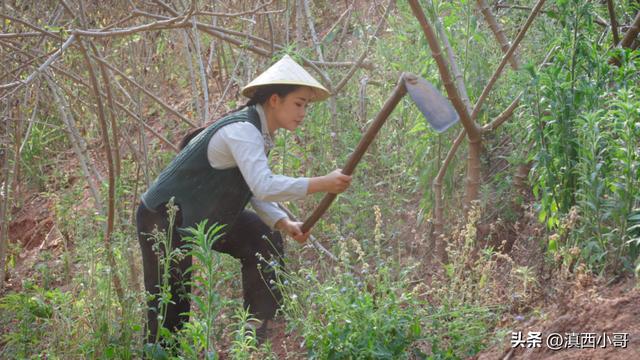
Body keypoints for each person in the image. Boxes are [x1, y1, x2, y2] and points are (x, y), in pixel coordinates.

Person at [136, 55, 352, 344]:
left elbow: (251, 187)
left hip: (203, 215)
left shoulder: (259, 134)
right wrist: (322, 183)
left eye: (306, 106)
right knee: (171, 305)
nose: (302, 113)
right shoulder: (243, 131)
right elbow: (263, 185)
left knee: (260, 236)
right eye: (298, 103)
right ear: (275, 100)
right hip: (162, 217)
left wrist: (283, 222)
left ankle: (254, 331)